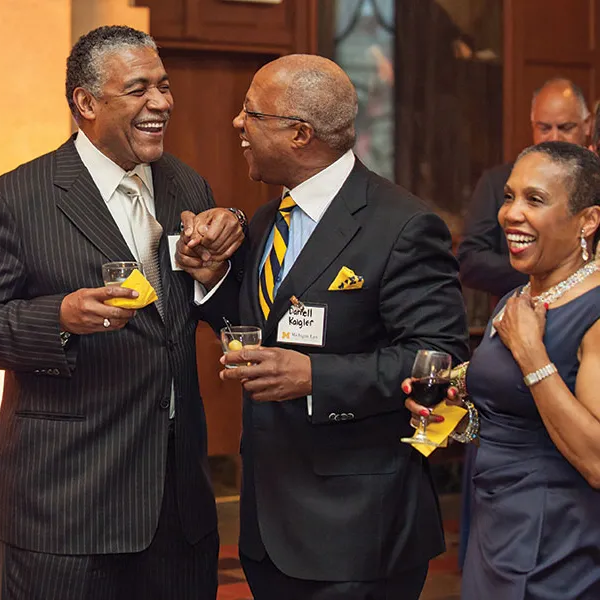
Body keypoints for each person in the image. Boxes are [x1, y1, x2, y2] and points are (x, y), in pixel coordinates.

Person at [0, 25, 245, 600]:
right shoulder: (21, 195)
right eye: (138, 90)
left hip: (177, 513)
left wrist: (215, 279)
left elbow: (205, 314)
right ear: (86, 102)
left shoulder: (187, 184)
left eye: (164, 86)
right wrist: (58, 317)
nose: (161, 103)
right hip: (65, 510)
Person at [181, 54, 469, 599]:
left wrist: (317, 377)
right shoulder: (267, 219)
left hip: (358, 529)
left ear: (299, 134)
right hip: (269, 526)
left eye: (251, 113)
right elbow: (259, 333)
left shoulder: (402, 226)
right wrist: (211, 283)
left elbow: (438, 356)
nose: (237, 125)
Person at [406, 141, 600, 599]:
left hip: (558, 544)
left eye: (535, 200)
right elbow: (510, 411)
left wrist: (533, 353)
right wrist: (455, 415)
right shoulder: (518, 298)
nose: (510, 214)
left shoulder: (593, 312)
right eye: (509, 197)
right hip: (494, 528)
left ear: (587, 221)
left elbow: (596, 461)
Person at [458, 78, 590, 297]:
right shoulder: (498, 181)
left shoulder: (594, 183)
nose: (555, 138)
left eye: (566, 127)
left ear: (587, 125)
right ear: (533, 126)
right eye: (545, 128)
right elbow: (471, 260)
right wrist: (542, 269)